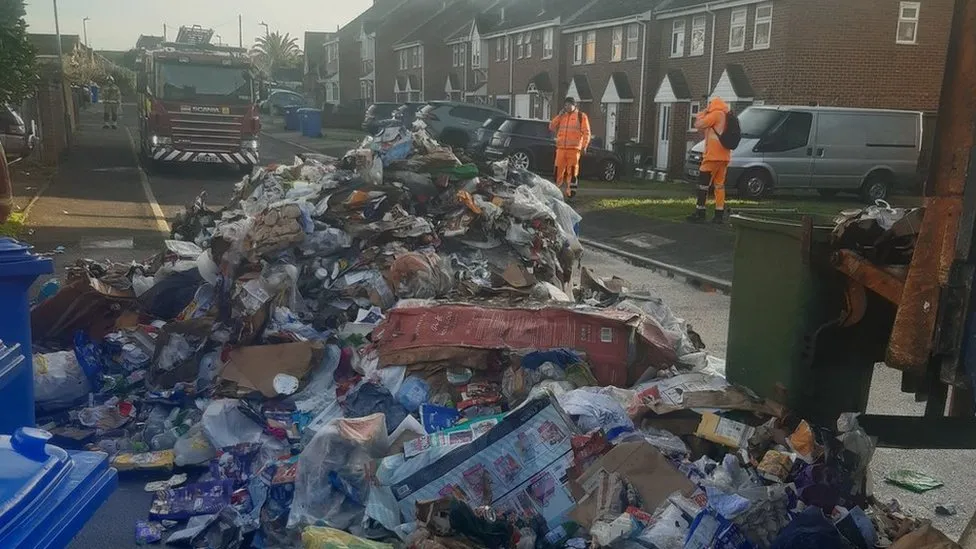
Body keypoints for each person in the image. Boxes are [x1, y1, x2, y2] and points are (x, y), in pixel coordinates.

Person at [688, 96, 732, 223]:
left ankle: (700, 211)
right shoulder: (726, 116)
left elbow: (699, 124)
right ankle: (719, 214)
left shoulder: (715, 115)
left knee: (703, 185)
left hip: (712, 157)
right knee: (719, 186)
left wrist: (702, 114)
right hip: (724, 157)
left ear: (712, 105)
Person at [549, 97, 591, 198]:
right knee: (558, 170)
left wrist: (584, 146)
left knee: (572, 172)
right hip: (561, 149)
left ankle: (571, 193)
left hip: (574, 150)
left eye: (568, 105)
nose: (566, 107)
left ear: (574, 105)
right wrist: (559, 116)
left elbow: (587, 132)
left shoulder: (581, 116)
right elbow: (551, 127)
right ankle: (555, 192)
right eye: (565, 105)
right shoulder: (562, 116)